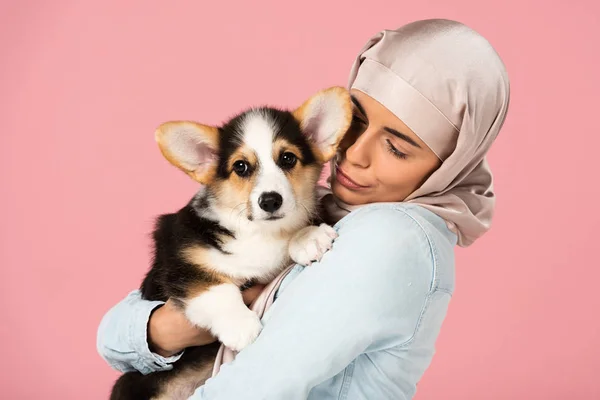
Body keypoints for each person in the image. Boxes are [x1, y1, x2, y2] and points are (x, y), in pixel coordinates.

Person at [97, 18, 510, 399]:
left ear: (451, 165)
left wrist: (164, 333)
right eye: (357, 122)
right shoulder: (321, 214)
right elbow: (112, 339)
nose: (353, 155)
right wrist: (167, 330)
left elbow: (255, 387)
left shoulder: (392, 235)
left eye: (396, 147)